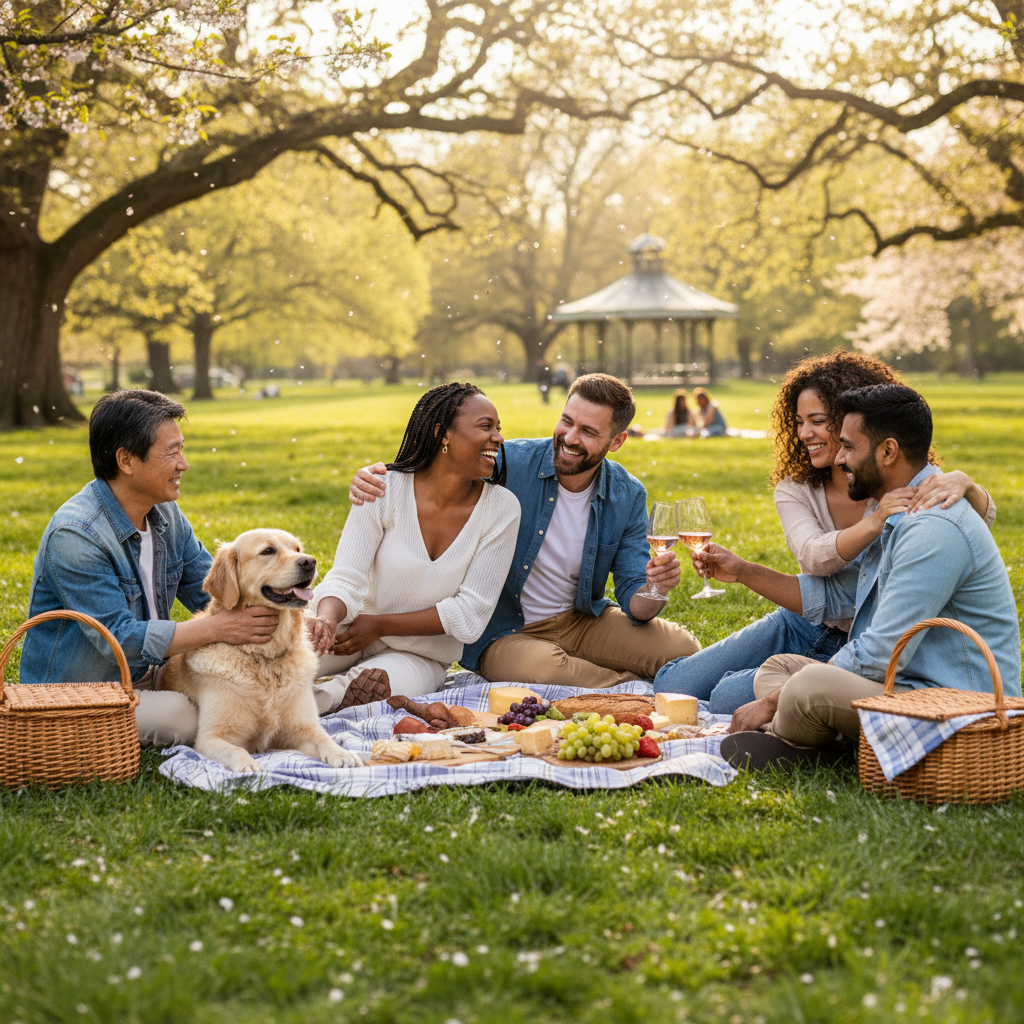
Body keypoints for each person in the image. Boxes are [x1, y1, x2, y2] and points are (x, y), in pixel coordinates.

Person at [688, 384, 1020, 768]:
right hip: (904, 685)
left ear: (888, 451)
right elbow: (837, 594)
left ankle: (812, 744)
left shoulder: (932, 527)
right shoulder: (895, 510)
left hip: (955, 703)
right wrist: (743, 570)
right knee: (779, 670)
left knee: (805, 687)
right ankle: (828, 742)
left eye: (848, 446)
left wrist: (770, 703)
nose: (840, 458)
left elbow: (881, 653)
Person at [653, 350, 994, 713]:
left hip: (868, 640)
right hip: (810, 620)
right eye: (799, 422)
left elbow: (963, 529)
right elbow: (815, 559)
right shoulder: (798, 489)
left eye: (817, 421)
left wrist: (967, 485)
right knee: (672, 686)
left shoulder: (887, 480)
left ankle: (787, 695)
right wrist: (744, 570)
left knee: (725, 697)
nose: (804, 433)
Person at [350, 373, 701, 688]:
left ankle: (605, 678)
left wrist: (655, 588)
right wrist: (379, 474)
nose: (570, 438)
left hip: (581, 620)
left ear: (617, 441)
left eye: (589, 432)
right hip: (505, 631)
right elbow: (445, 464)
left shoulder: (627, 493)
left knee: (682, 648)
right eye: (567, 421)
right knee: (546, 668)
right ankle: (632, 688)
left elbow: (634, 601)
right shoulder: (510, 462)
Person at [22, 390, 280, 745]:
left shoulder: (165, 514)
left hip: (153, 671)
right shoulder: (76, 535)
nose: (183, 464)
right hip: (86, 695)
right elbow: (121, 640)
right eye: (171, 452)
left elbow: (215, 590)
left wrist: (285, 604)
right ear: (126, 460)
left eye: (182, 448)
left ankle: (325, 694)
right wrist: (219, 628)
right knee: (183, 719)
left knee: (287, 660)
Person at [309, 383, 521, 711]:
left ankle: (288, 710)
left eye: (498, 428)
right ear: (442, 434)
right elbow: (346, 578)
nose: (498, 438)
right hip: (346, 627)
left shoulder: (501, 509)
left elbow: (469, 616)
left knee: (365, 690)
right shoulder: (383, 489)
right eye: (485, 426)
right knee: (272, 662)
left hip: (418, 656)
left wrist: (380, 625)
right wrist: (324, 620)